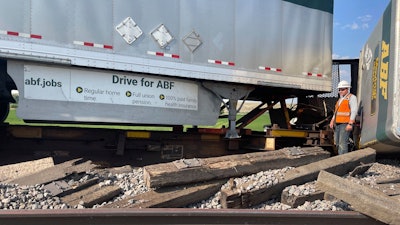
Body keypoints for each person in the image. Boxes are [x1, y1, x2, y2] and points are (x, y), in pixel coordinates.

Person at [329, 80, 358, 155]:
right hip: (337, 124)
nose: (340, 91)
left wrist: (350, 124)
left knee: (343, 143)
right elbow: (336, 112)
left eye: (342, 89)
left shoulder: (352, 98)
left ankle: (342, 159)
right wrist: (332, 121)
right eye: (339, 89)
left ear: (347, 89)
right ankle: (340, 157)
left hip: (345, 124)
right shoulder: (340, 100)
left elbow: (354, 111)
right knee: (337, 143)